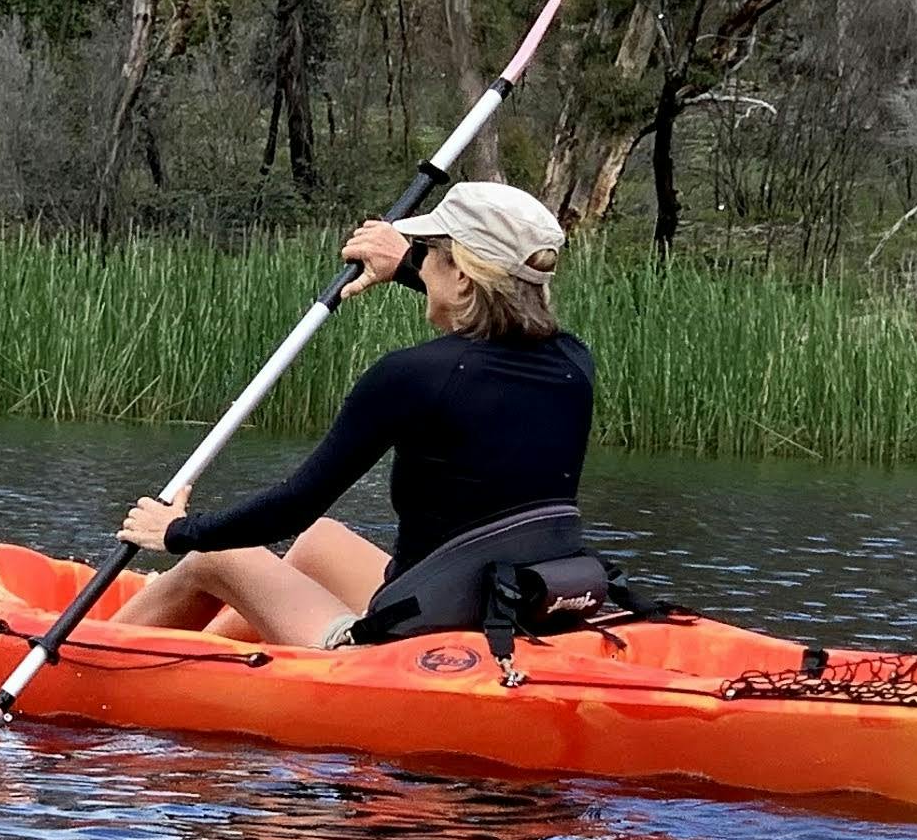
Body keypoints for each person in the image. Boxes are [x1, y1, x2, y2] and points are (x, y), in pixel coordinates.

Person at [112, 180, 594, 651]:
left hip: (416, 641)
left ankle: (91, 659)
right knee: (318, 543)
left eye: (427, 254)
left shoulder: (411, 375)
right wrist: (402, 264)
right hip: (496, 601)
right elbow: (496, 321)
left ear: (464, 276)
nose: (420, 265)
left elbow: (293, 506)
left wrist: (177, 531)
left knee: (209, 560)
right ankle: (217, 666)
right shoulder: (573, 363)